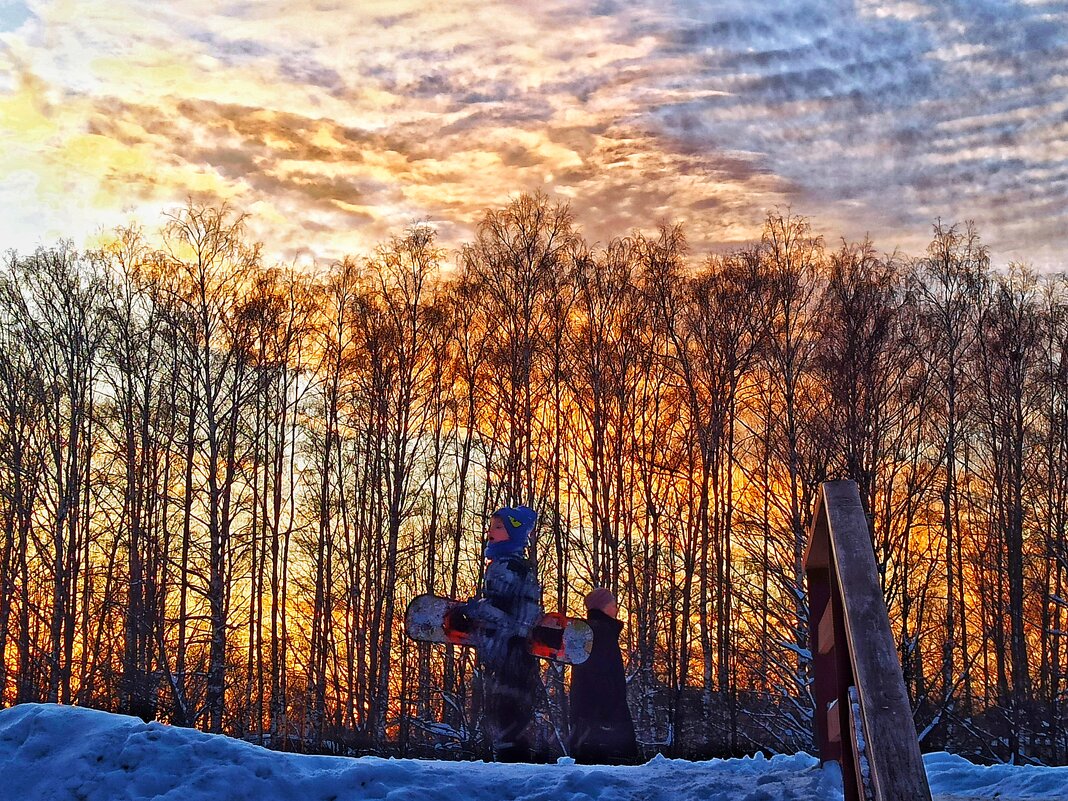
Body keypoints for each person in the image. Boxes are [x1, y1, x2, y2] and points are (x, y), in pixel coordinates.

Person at [450, 505, 542, 762]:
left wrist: (471, 611)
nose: (491, 531)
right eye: (491, 525)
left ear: (514, 533)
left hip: (507, 651)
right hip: (517, 651)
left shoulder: (505, 568)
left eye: (499, 527)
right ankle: (513, 760)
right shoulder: (519, 567)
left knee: (505, 712)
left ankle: (511, 766)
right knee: (511, 713)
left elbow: (500, 610)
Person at [568, 587, 638, 764]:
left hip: (586, 718)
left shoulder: (585, 633)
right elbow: (604, 677)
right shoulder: (602, 633)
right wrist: (609, 713)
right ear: (603, 607)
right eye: (613, 604)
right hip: (605, 719)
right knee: (610, 773)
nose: (616, 609)